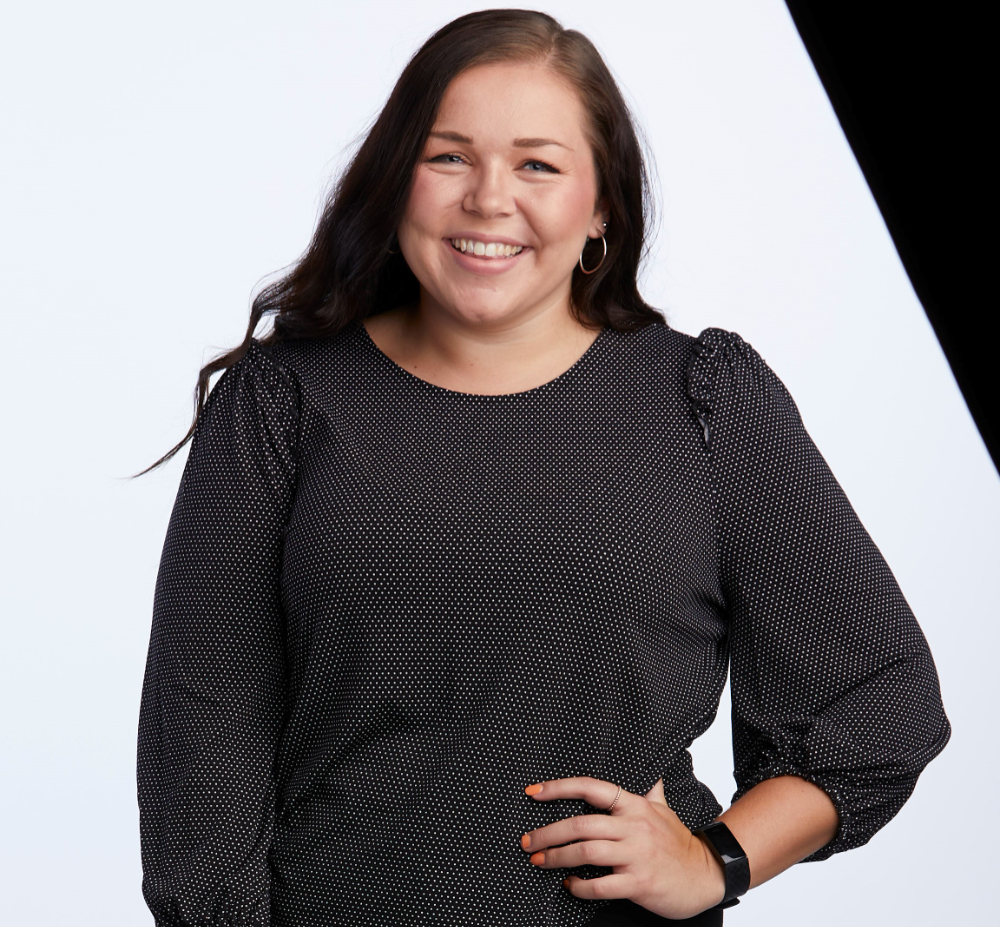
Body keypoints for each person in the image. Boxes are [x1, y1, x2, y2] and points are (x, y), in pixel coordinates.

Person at [135, 9, 951, 927]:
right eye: (449, 156)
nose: (489, 199)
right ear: (396, 178)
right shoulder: (283, 402)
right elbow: (202, 740)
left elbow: (879, 701)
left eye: (538, 165)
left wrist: (716, 859)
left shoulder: (704, 401)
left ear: (601, 205)